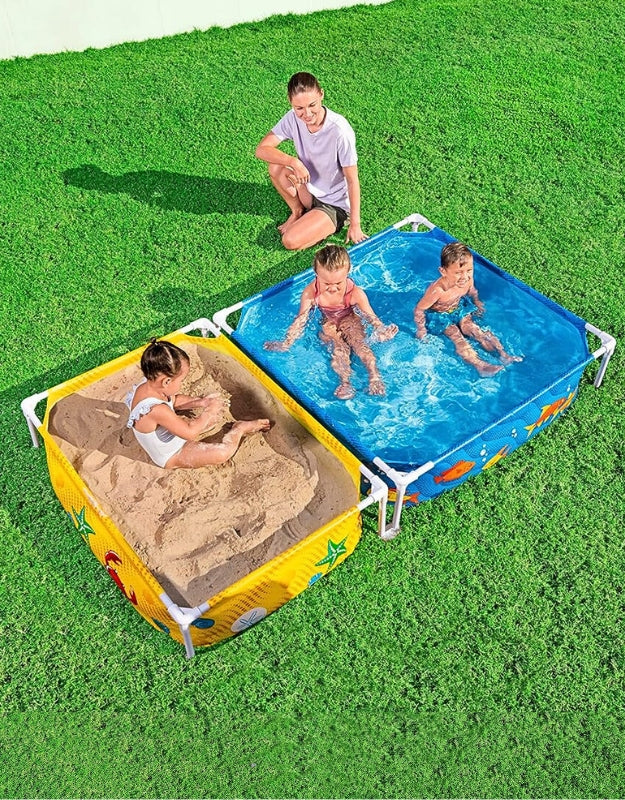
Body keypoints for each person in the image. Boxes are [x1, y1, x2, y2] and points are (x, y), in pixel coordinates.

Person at [264, 244, 398, 399]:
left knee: (361, 346)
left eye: (339, 283)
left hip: (350, 319)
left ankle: (374, 377)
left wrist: (381, 330)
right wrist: (287, 342)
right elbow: (301, 319)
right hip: (328, 322)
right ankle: (345, 382)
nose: (333, 288)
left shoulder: (355, 293)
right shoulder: (310, 293)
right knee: (338, 348)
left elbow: (371, 317)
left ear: (348, 271)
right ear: (316, 273)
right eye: (327, 284)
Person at [255, 71, 367, 251]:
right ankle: (297, 211)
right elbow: (262, 149)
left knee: (290, 241)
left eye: (312, 105)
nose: (306, 114)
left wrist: (355, 224)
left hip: (334, 205)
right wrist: (294, 162)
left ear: (321, 94)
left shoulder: (340, 131)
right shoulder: (292, 118)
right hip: (308, 189)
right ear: (290, 102)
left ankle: (321, 221)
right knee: (276, 166)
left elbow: (352, 180)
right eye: (299, 108)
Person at [126, 339, 270, 468]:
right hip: (172, 454)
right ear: (166, 381)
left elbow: (173, 400)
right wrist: (209, 412)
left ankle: (205, 421)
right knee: (222, 453)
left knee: (205, 422)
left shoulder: (149, 385)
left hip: (171, 433)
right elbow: (190, 433)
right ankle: (239, 428)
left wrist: (202, 402)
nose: (182, 384)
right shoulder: (156, 410)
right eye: (181, 380)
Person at [414, 242, 522, 376]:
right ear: (443, 271)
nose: (465, 276)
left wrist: (477, 302)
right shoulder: (437, 290)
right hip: (439, 315)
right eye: (458, 272)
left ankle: (504, 356)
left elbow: (472, 291)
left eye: (469, 270)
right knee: (456, 335)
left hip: (459, 308)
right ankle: (481, 366)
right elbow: (419, 309)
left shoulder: (467, 281)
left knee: (473, 329)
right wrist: (421, 329)